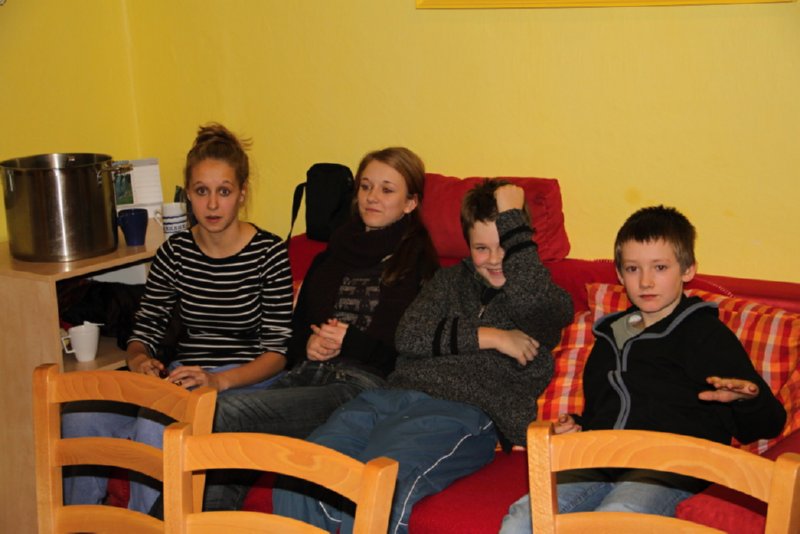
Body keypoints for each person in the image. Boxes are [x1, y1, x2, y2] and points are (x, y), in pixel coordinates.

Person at [273, 179, 574, 534]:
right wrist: (491, 337)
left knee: (378, 485)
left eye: (504, 246)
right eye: (481, 248)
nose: (494, 260)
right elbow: (408, 335)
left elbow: (533, 299)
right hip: (390, 397)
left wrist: (512, 218)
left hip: (462, 410)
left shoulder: (547, 299)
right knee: (301, 475)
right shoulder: (448, 281)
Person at [499, 205, 787, 534]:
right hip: (598, 460)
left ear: (688, 270)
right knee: (522, 517)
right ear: (620, 275)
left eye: (660, 267)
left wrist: (747, 400)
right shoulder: (611, 336)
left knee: (617, 518)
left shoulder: (705, 335)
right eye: (633, 269)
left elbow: (768, 424)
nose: (646, 281)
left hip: (669, 468)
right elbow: (604, 412)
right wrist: (578, 426)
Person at [61, 122, 294, 514]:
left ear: (242, 193)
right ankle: (81, 522)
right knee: (80, 416)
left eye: (224, 191)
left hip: (246, 381)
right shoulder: (175, 251)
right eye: (202, 191)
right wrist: (139, 359)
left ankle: (146, 525)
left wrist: (218, 380)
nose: (213, 205)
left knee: (158, 423)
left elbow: (277, 354)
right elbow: (145, 329)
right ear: (189, 194)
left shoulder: (268, 253)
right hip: (185, 376)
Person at [201, 146, 441, 511]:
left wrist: (351, 341)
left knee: (225, 413)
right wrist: (308, 345)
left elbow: (414, 356)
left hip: (361, 389)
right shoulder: (329, 255)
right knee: (217, 423)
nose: (372, 197)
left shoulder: (420, 266)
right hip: (306, 376)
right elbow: (292, 335)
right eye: (365, 186)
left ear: (410, 203)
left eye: (387, 189)